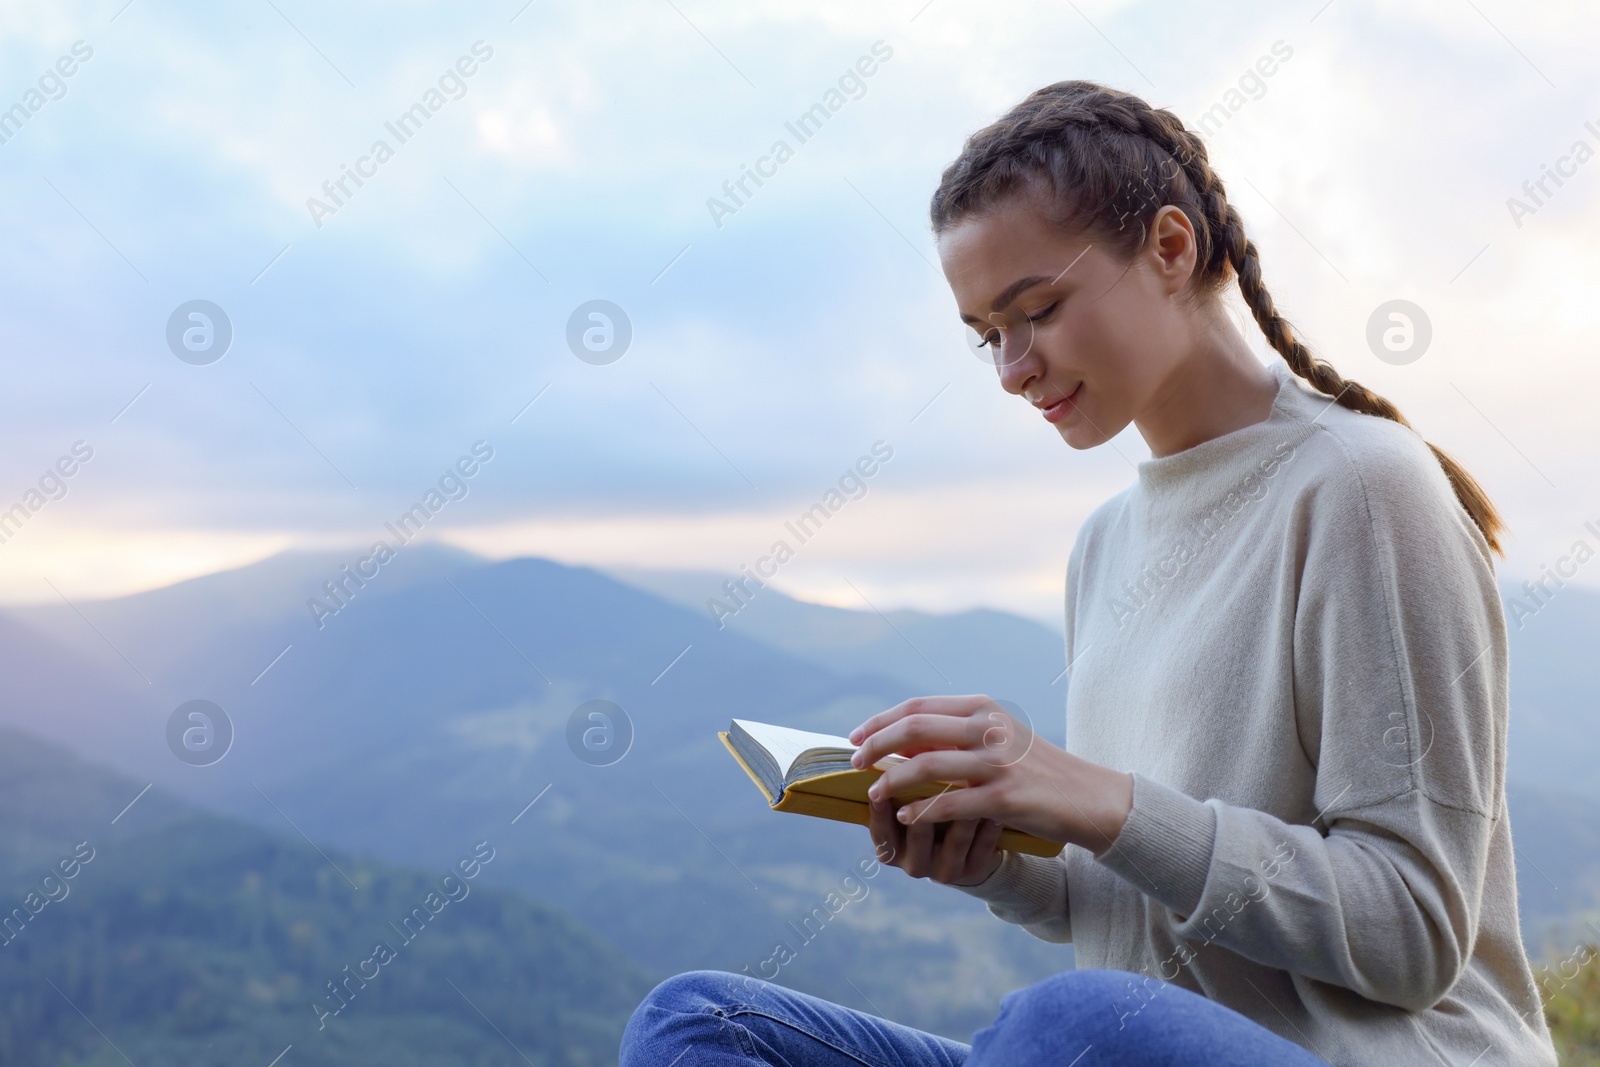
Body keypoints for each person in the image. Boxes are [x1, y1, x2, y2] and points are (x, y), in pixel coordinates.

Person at [620, 79, 1558, 1066]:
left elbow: (1411, 931)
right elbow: (1137, 895)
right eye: (987, 334)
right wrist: (997, 860)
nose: (1012, 369)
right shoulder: (1105, 542)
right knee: (693, 1023)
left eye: (1038, 310)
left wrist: (1102, 800)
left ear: (1168, 248)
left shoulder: (1363, 487)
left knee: (1066, 1022)